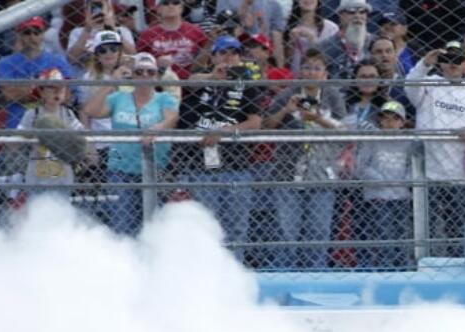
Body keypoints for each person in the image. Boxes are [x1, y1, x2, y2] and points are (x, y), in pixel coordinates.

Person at [264, 48, 349, 268]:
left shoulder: (333, 96)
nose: (311, 72)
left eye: (317, 68)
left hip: (321, 174)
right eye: (307, 66)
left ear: (325, 74)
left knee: (318, 233)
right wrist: (286, 110)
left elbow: (345, 131)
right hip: (287, 173)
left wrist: (318, 119)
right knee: (286, 234)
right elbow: (267, 127)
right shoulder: (287, 94)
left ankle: (316, 278)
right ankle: (285, 278)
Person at [83, 52, 180, 234]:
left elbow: (172, 118)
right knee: (123, 224)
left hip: (154, 169)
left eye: (150, 72)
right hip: (121, 169)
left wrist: (157, 128)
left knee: (153, 227)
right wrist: (111, 82)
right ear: (132, 75)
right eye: (139, 72)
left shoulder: (164, 98)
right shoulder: (118, 97)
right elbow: (91, 110)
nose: (144, 76)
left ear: (156, 76)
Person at [178, 35, 262, 245]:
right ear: (213, 56)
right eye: (223, 52)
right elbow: (189, 83)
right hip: (200, 166)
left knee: (235, 228)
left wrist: (224, 132)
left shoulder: (247, 84)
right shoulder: (203, 78)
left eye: (235, 53)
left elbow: (255, 122)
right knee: (204, 227)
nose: (229, 57)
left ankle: (233, 273)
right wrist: (212, 77)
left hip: (235, 165)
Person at [405, 41, 465, 258]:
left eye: (458, 60)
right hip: (427, 172)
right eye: (448, 60)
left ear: (464, 64)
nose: (452, 65)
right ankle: (423, 265)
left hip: (459, 173)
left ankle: (458, 267)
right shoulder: (429, 83)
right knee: (424, 229)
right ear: (441, 63)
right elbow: (410, 87)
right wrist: (424, 63)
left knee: (457, 229)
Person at [353, 100, 415, 268]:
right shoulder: (372, 140)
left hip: (401, 196)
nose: (390, 123)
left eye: (395, 119)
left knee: (402, 235)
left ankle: (401, 267)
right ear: (380, 121)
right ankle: (385, 267)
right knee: (383, 234)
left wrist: (405, 181)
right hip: (378, 196)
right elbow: (361, 166)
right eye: (385, 118)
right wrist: (380, 180)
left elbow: (412, 166)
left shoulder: (408, 142)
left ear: (402, 122)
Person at [15, 68, 93, 201]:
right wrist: (33, 137)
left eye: (61, 88)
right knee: (37, 208)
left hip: (63, 176)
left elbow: (81, 134)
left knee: (62, 208)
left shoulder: (67, 114)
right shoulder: (33, 114)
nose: (57, 92)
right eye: (51, 88)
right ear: (41, 91)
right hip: (37, 175)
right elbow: (19, 137)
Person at [0, 17, 75, 129]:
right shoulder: (5, 63)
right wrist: (47, 90)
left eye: (36, 32)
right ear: (19, 36)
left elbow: (65, 96)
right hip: (18, 122)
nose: (32, 37)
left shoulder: (58, 60)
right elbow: (10, 95)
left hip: (54, 123)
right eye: (27, 32)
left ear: (42, 35)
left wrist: (25, 90)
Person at [136, 0, 208, 77]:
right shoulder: (148, 34)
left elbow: (208, 56)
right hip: (158, 80)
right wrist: (155, 63)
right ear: (158, 9)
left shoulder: (195, 30)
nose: (171, 6)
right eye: (165, 3)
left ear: (181, 7)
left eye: (176, 2)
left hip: (190, 80)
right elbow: (139, 60)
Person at [320, 0, 373, 82]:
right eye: (351, 12)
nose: (357, 16)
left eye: (362, 12)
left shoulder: (376, 43)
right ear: (340, 15)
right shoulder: (324, 47)